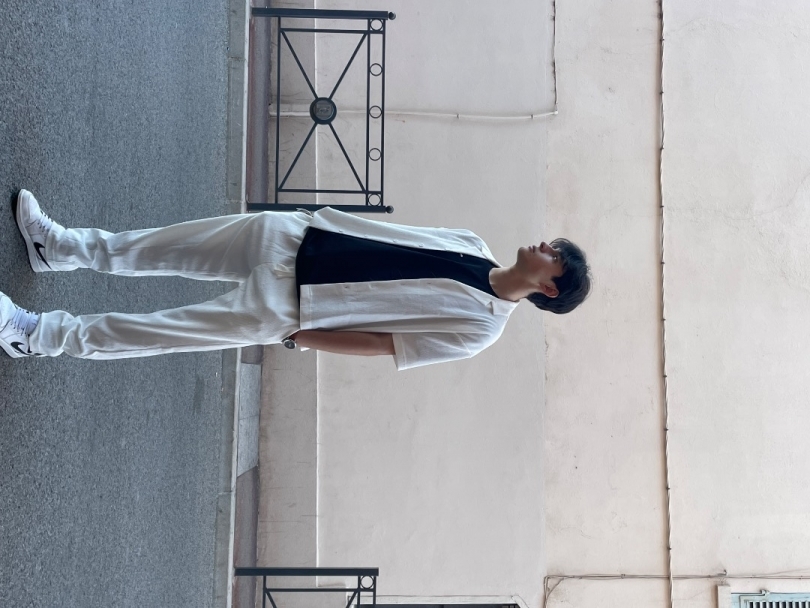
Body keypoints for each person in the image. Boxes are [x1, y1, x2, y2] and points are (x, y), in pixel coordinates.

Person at [0, 190, 591, 369]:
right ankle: (60, 249)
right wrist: (306, 222)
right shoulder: (472, 243)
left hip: (294, 307)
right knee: (162, 244)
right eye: (553, 244)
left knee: (161, 330)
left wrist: (302, 337)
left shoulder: (480, 329)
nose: (545, 246)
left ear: (548, 289)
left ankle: (37, 335)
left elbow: (386, 344)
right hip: (297, 236)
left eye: (554, 257)